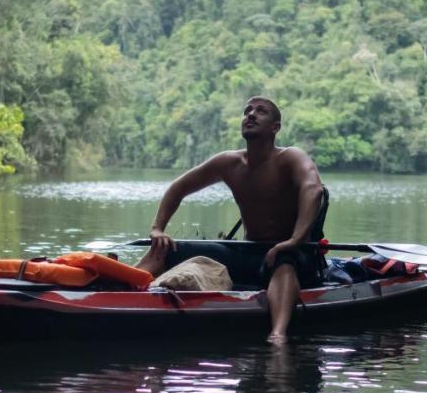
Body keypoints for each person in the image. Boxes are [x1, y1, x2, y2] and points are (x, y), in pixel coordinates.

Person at [135, 96, 326, 344]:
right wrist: (157, 228)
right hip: (248, 253)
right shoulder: (229, 163)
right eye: (247, 110)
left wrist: (293, 240)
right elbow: (178, 188)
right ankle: (120, 289)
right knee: (166, 247)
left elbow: (314, 189)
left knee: (282, 258)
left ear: (275, 127)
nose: (251, 114)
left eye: (261, 111)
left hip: (295, 255)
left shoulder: (291, 157)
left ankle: (278, 334)